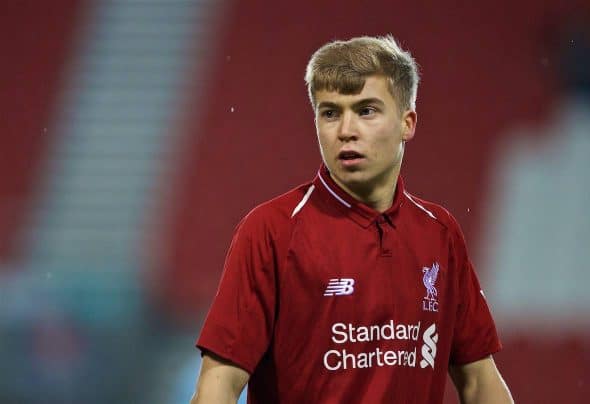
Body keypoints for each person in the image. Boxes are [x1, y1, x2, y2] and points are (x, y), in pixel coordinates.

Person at [190, 35, 513, 404]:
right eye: (330, 113)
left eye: (366, 111)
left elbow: (479, 380)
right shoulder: (273, 229)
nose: (346, 130)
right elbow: (218, 384)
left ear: (407, 123)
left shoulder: (439, 232)